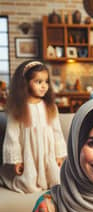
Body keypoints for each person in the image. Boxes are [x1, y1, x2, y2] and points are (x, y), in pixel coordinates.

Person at [0, 60, 66, 193]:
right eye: (38, 82)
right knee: (29, 186)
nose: (44, 86)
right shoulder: (18, 108)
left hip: (48, 152)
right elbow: (12, 136)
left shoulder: (50, 106)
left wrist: (59, 155)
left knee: (56, 181)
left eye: (46, 82)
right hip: (28, 153)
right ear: (25, 83)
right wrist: (16, 160)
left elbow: (56, 131)